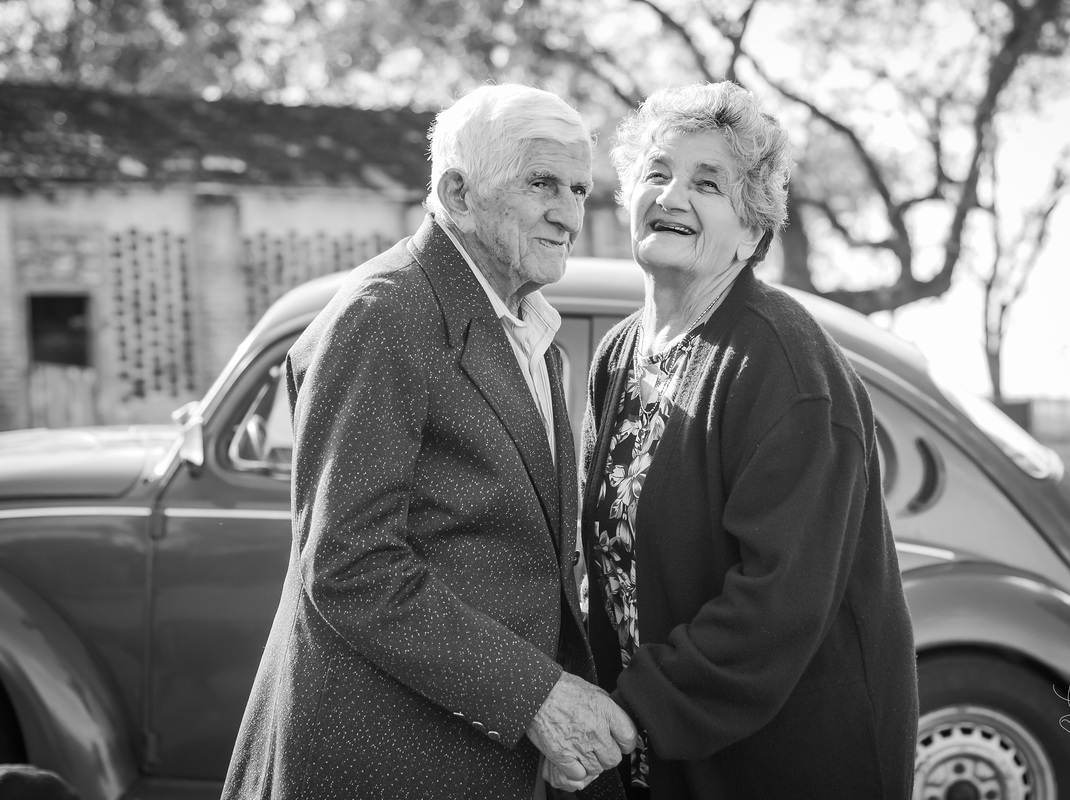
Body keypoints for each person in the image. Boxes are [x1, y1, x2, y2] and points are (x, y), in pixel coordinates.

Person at [222, 84, 634, 800]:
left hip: (472, 752)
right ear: (458, 192)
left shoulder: (535, 337)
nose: (569, 212)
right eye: (542, 183)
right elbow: (350, 564)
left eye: (578, 187)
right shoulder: (387, 313)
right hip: (380, 761)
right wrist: (538, 695)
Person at [580, 81, 919, 798]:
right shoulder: (620, 353)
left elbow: (777, 604)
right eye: (657, 172)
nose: (673, 195)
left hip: (784, 759)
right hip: (657, 752)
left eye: (708, 183)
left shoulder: (783, 364)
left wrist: (627, 713)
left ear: (753, 230)